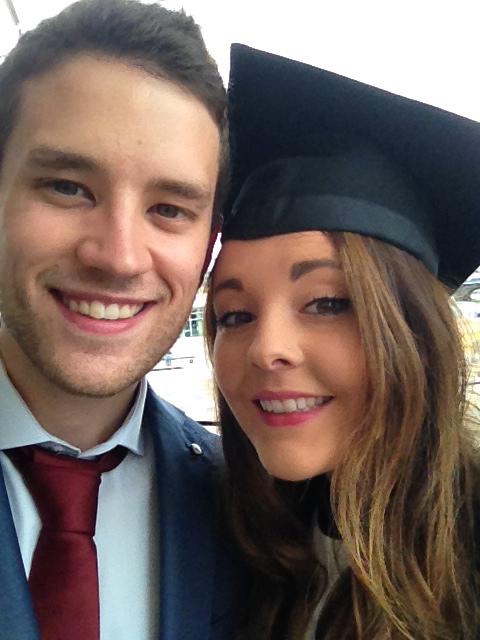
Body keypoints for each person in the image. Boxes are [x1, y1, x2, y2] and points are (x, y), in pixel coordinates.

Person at [205, 44, 480, 639]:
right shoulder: (229, 542)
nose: (265, 349)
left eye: (327, 303)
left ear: (413, 328)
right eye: (234, 315)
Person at [0, 2, 243, 639]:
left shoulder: (243, 514)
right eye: (67, 187)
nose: (119, 257)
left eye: (169, 209)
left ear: (208, 246)